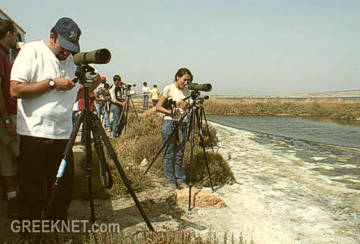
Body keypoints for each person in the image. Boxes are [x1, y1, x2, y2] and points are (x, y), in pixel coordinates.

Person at [10, 17, 100, 221]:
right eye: (64, 47)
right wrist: (52, 83)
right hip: (34, 134)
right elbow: (15, 90)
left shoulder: (70, 60)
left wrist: (89, 88)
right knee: (32, 189)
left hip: (62, 135)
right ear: (52, 36)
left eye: (71, 48)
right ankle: (30, 230)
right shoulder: (32, 51)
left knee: (62, 190)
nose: (67, 52)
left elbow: (70, 96)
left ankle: (56, 229)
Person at [156, 68, 192, 189]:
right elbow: (158, 107)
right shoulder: (169, 88)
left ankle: (180, 180)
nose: (186, 83)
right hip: (170, 123)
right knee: (169, 153)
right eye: (185, 80)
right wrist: (170, 112)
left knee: (179, 154)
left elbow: (189, 106)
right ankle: (170, 181)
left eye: (188, 81)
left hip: (183, 123)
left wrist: (186, 105)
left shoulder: (187, 91)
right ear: (177, 77)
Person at [0, 18, 19, 218]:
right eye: (14, 34)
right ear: (8, 34)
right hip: (7, 116)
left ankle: (12, 200)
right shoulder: (1, 55)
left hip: (6, 115)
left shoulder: (4, 54)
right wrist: (6, 120)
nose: (15, 38)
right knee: (21, 156)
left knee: (7, 161)